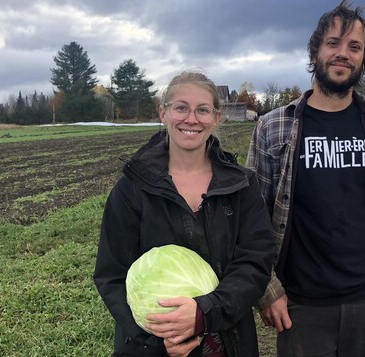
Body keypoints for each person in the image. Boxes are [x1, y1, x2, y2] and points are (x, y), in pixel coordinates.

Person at [246, 1, 365, 356]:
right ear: (316, 51)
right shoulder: (274, 128)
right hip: (301, 305)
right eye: (333, 43)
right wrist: (268, 290)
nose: (342, 54)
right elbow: (252, 219)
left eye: (354, 47)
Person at [94, 71, 275, 357]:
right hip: (154, 347)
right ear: (163, 113)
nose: (191, 119)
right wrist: (158, 340)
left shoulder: (241, 185)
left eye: (202, 109)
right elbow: (112, 274)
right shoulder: (132, 188)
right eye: (181, 107)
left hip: (227, 343)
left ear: (216, 118)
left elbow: (255, 262)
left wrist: (204, 313)